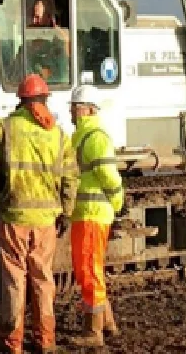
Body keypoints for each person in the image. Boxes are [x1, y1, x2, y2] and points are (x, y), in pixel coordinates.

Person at [0, 74, 79, 354]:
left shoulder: (6, 127)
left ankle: (12, 342)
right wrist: (66, 211)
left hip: (14, 217)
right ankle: (46, 341)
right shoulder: (59, 134)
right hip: (45, 222)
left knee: (14, 280)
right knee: (43, 279)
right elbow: (71, 177)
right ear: (44, 100)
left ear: (22, 100)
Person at [67, 84, 126, 348]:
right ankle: (108, 323)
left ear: (88, 109)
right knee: (92, 270)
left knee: (89, 271)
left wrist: (117, 202)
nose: (72, 112)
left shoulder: (94, 138)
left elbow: (109, 177)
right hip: (87, 215)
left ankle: (93, 332)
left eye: (76, 107)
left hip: (92, 215)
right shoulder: (83, 136)